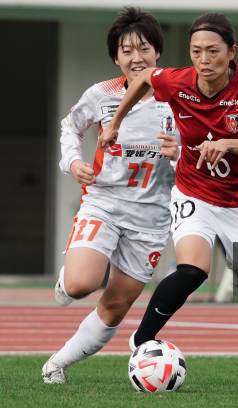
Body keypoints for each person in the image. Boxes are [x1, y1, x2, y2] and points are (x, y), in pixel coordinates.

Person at [99, 13, 238, 394]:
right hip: (194, 192)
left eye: (213, 51)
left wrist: (226, 143)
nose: (204, 59)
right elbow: (145, 78)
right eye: (196, 51)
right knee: (193, 270)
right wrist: (115, 121)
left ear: (231, 52)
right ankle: (140, 343)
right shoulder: (179, 81)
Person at [41, 7, 179, 384]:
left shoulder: (181, 97)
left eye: (144, 48)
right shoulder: (101, 94)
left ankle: (57, 364)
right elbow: (71, 127)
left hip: (152, 218)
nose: (137, 57)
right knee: (80, 285)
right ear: (116, 57)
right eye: (127, 50)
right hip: (105, 203)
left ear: (158, 52)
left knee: (116, 306)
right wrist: (72, 162)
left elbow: (204, 153)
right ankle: (66, 279)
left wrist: (181, 154)